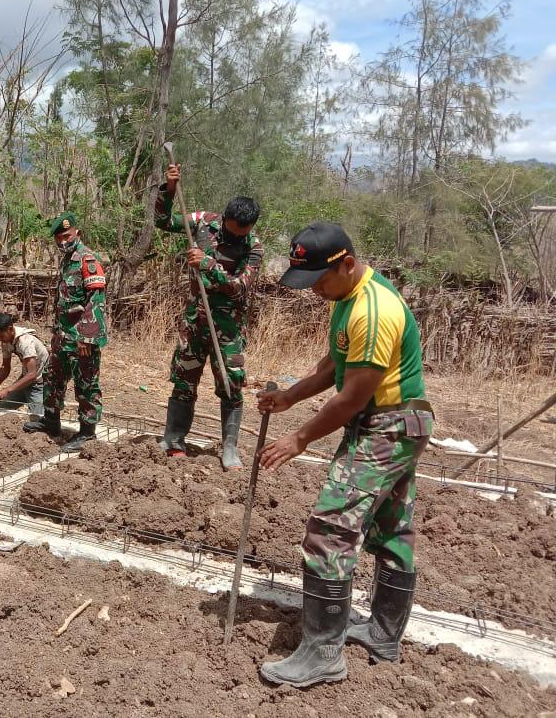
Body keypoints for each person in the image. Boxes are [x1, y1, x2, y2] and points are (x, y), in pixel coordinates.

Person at [255, 222, 433, 688]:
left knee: (330, 530)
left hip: (387, 424)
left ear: (346, 264)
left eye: (318, 279)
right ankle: (382, 633)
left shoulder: (373, 311)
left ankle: (323, 654)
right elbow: (334, 366)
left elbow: (352, 395)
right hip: (396, 422)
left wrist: (300, 438)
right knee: (392, 525)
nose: (313, 290)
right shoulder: (347, 299)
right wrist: (290, 396)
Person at [155, 163, 263, 469]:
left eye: (240, 232)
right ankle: (174, 439)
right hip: (194, 323)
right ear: (225, 217)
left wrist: (208, 265)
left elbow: (239, 288)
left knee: (231, 385)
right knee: (184, 381)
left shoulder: (254, 248)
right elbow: (163, 221)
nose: (232, 234)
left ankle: (229, 448)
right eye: (229, 227)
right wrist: (170, 190)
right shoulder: (203, 221)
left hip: (227, 329)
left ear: (251, 227)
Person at [23, 212, 108, 453]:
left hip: (81, 337)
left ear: (77, 233)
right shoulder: (67, 259)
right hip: (63, 336)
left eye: (66, 236)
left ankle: (87, 433)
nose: (62, 241)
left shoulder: (87, 259)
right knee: (53, 379)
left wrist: (87, 336)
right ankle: (51, 422)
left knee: (86, 385)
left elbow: (96, 301)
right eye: (58, 237)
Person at [0, 312, 49, 418]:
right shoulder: (6, 341)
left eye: (1, 336)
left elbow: (32, 375)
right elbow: (6, 366)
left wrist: (7, 390)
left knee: (37, 420)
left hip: (40, 383)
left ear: (10, 328)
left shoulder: (25, 341)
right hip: (26, 380)